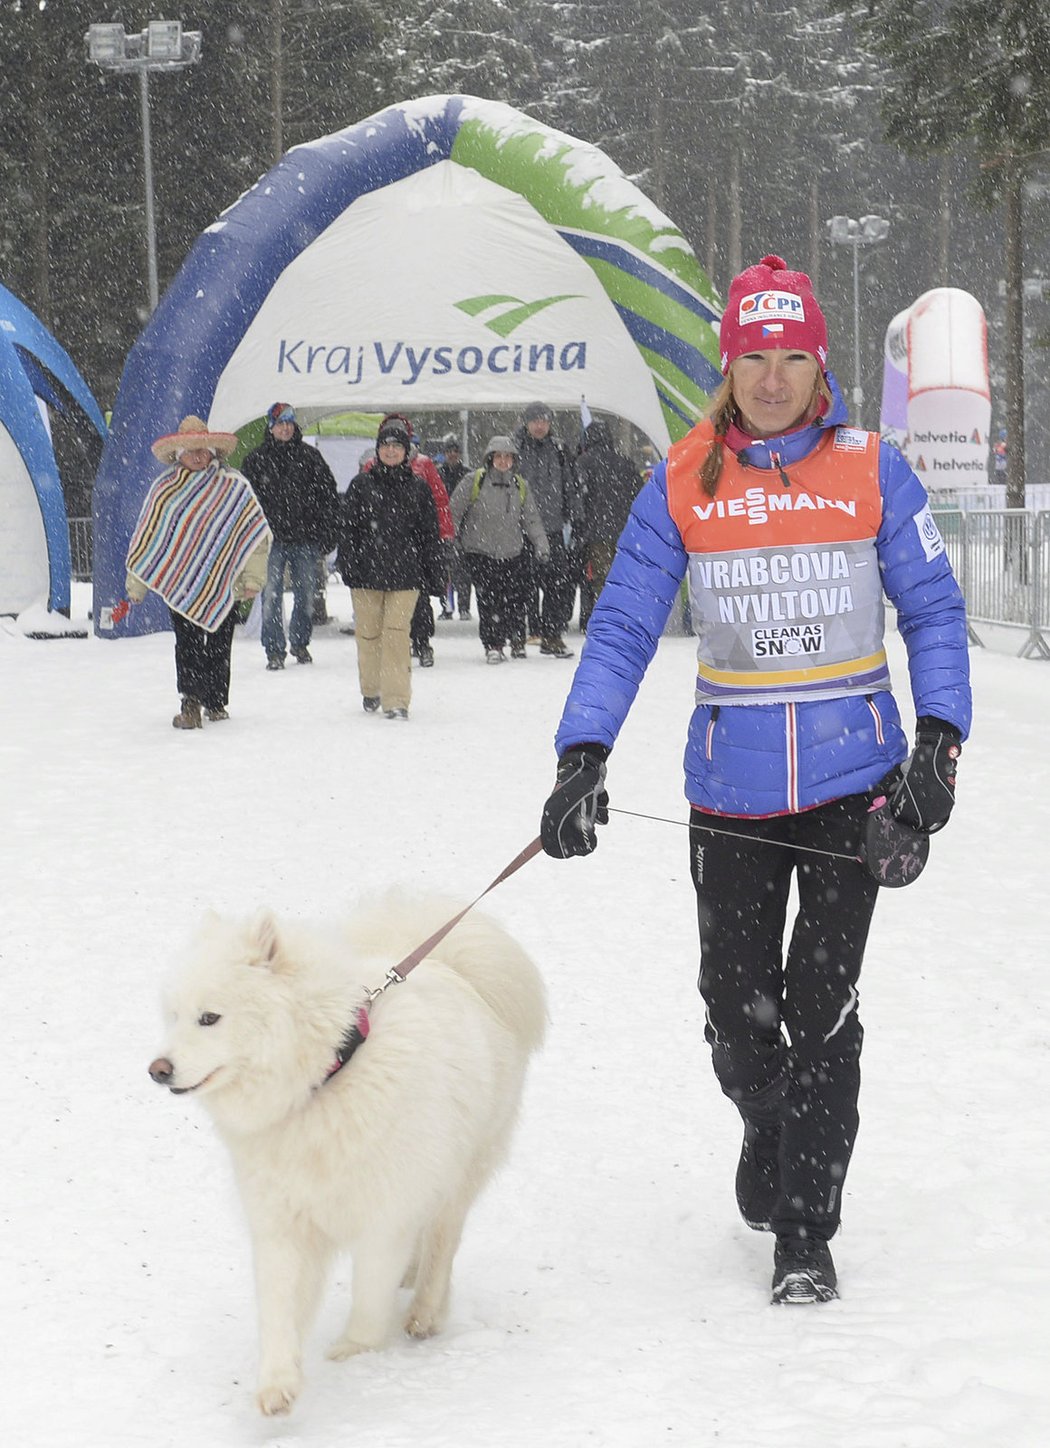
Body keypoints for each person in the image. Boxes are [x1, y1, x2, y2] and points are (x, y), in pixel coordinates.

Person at [539, 255, 972, 1306]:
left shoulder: (874, 467)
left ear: (818, 362)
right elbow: (627, 622)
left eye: (792, 357)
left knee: (820, 1004)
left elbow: (934, 610)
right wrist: (581, 752)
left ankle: (806, 1229)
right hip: (729, 790)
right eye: (752, 357)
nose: (772, 377)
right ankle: (765, 1116)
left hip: (852, 786)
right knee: (739, 1014)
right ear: (727, 364)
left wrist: (939, 743)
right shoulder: (685, 475)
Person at [123, 415, 271, 728]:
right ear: (179, 453)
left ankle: (215, 702)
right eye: (190, 450)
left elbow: (256, 537)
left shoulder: (234, 487)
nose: (198, 455)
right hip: (181, 585)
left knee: (219, 643)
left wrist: (252, 579)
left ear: (213, 450)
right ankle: (190, 701)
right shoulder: (164, 491)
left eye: (203, 449)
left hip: (225, 583)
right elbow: (149, 540)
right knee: (187, 643)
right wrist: (137, 586)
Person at [336, 416, 443, 720]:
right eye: (386, 445)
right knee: (369, 635)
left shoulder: (419, 489)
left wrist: (433, 572)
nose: (391, 451)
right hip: (366, 574)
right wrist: (349, 563)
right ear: (378, 450)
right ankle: (371, 689)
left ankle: (396, 700)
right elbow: (349, 530)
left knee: (397, 635)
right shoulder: (361, 486)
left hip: (405, 575)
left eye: (397, 446)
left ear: (407, 451)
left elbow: (429, 536)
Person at [241, 402, 339, 670]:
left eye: (289, 422)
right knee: (270, 596)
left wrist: (328, 531)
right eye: (280, 423)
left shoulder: (311, 457)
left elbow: (328, 496)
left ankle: (300, 642)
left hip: (305, 539)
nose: (285, 428)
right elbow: (245, 504)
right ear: (271, 427)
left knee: (306, 594)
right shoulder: (255, 460)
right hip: (269, 541)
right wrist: (249, 538)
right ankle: (273, 649)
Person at [449, 435, 549, 663]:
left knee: (514, 599)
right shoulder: (473, 481)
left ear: (514, 460)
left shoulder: (520, 486)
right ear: (490, 458)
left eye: (508, 457)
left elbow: (531, 520)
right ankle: (493, 644)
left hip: (512, 551)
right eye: (499, 456)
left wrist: (541, 545)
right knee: (488, 600)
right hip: (479, 551)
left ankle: (515, 638)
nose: (503, 461)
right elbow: (454, 512)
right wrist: (450, 541)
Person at [364, 414, 454, 668]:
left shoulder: (423, 465)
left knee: (420, 598)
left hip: (414, 545)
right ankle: (392, 645)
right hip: (380, 544)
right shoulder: (372, 464)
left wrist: (443, 534)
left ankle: (422, 641)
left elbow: (439, 500)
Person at [512, 401, 581, 658]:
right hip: (521, 530)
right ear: (526, 422)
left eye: (544, 420)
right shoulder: (514, 449)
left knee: (557, 584)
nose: (539, 426)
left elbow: (571, 486)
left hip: (553, 527)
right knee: (520, 586)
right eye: (535, 421)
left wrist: (576, 518)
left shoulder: (560, 449)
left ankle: (552, 636)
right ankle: (518, 637)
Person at [574, 419, 643, 632]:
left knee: (600, 579)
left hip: (596, 532)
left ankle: (601, 620)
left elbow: (578, 498)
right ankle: (622, 617)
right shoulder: (625, 462)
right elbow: (639, 495)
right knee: (621, 577)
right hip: (624, 531)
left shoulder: (584, 462)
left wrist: (579, 528)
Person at [438, 432, 472, 618]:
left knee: (463, 570)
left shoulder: (467, 474)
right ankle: (446, 607)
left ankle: (464, 607)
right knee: (444, 570)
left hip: (464, 528)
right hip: (443, 527)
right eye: (449, 451)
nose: (452, 454)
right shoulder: (438, 473)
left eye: (455, 451)